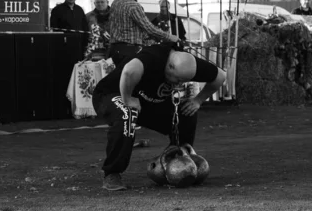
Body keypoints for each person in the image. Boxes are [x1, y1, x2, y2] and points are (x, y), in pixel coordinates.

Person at [92, 42, 226, 191]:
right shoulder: (152, 57)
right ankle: (112, 173)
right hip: (113, 93)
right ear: (169, 67)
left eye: (183, 81)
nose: (179, 83)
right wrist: (128, 99)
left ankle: (179, 160)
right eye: (177, 80)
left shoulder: (188, 63)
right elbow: (128, 72)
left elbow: (220, 76)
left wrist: (198, 101)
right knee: (127, 114)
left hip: (146, 102)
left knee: (186, 111)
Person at [108, 0, 179, 65]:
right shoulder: (133, 5)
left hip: (113, 50)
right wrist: (169, 37)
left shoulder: (115, 2)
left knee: (117, 78)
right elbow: (149, 28)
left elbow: (132, 29)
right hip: (129, 51)